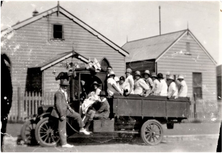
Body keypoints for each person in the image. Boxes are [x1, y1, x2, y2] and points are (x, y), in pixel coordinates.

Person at [51, 78, 90, 148]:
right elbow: (58, 105)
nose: (65, 87)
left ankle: (81, 128)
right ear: (61, 86)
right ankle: (64, 144)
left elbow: (65, 103)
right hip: (60, 112)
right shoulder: (58, 93)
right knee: (62, 128)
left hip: (66, 110)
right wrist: (61, 115)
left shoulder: (64, 93)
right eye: (64, 86)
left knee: (77, 115)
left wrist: (70, 109)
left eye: (66, 86)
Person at [1, 53, 13, 151]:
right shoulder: (5, 73)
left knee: (2, 128)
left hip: (4, 106)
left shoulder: (6, 73)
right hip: (4, 106)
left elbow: (10, 92)